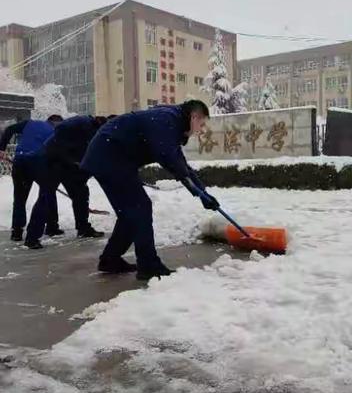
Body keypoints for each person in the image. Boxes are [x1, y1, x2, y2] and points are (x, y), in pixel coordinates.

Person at [81, 100, 220, 280]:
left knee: (131, 212)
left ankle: (110, 259)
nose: (200, 130)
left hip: (112, 158)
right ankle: (148, 265)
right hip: (110, 157)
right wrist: (197, 191)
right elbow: (168, 156)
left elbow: (181, 163)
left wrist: (203, 193)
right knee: (140, 208)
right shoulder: (167, 120)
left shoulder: (172, 122)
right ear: (194, 117)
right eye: (201, 124)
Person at [23, 115, 107, 249]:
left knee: (81, 192)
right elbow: (61, 127)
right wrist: (63, 150)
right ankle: (32, 237)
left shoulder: (96, 134)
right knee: (46, 197)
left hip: (68, 165)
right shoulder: (84, 122)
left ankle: (83, 228)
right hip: (52, 162)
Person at [0, 115, 64, 242]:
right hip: (38, 163)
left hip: (20, 162)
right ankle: (51, 227)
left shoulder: (30, 123)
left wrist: (1, 148)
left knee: (19, 198)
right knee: (48, 193)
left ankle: (17, 232)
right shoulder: (56, 131)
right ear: (57, 123)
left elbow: (9, 129)